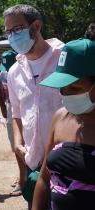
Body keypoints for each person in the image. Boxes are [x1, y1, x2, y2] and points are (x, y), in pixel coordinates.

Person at [3, 4, 64, 207]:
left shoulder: (64, 59)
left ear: (36, 26)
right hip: (34, 161)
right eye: (8, 32)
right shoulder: (13, 72)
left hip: (65, 159)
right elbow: (17, 113)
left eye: (17, 29)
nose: (12, 36)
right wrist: (18, 143)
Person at [32, 38, 95, 210]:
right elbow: (44, 177)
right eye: (62, 89)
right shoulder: (60, 117)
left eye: (74, 88)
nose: (66, 96)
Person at [0, 49, 22, 196]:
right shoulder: (4, 72)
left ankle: (23, 180)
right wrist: (4, 111)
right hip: (12, 111)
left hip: (23, 111)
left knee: (24, 147)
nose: (5, 71)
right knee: (17, 148)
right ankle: (22, 176)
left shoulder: (21, 71)